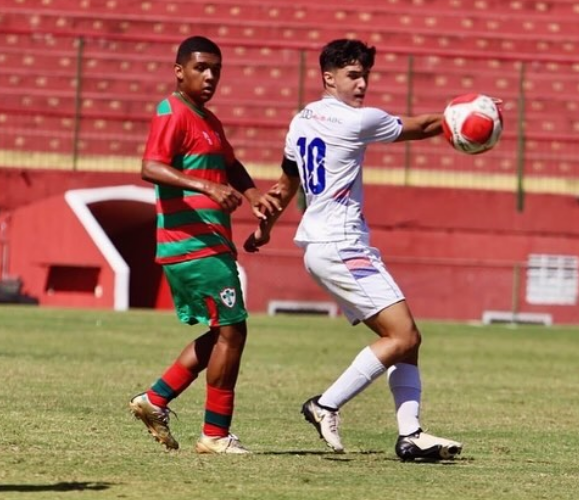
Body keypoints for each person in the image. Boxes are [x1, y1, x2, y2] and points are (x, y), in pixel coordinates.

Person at [245, 38, 464, 461]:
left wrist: (266, 229)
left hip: (320, 246)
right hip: (342, 244)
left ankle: (411, 434)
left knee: (404, 340)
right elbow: (422, 127)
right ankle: (325, 404)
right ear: (329, 77)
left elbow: (287, 183)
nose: (362, 83)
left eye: (365, 75)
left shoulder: (300, 120)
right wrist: (466, 114)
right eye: (353, 75)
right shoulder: (357, 121)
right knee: (404, 335)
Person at [129, 36, 265, 454]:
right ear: (179, 71)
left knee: (225, 331)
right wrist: (205, 185)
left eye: (216, 70)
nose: (210, 76)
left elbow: (230, 163)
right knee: (233, 330)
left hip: (211, 241)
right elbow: (150, 166)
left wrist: (255, 196)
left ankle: (154, 400)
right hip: (191, 242)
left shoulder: (208, 121)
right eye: (201, 68)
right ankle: (214, 435)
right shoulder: (171, 111)